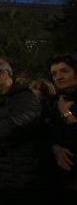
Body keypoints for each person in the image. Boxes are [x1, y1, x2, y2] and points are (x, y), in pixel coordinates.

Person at [0, 58, 49, 205]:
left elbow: (13, 127)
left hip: (26, 180)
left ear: (3, 75)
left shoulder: (26, 98)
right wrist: (0, 142)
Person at [49, 54, 77, 204]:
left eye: (64, 71)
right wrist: (54, 147)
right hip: (61, 180)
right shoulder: (55, 101)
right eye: (54, 74)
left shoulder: (61, 105)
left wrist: (67, 114)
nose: (59, 77)